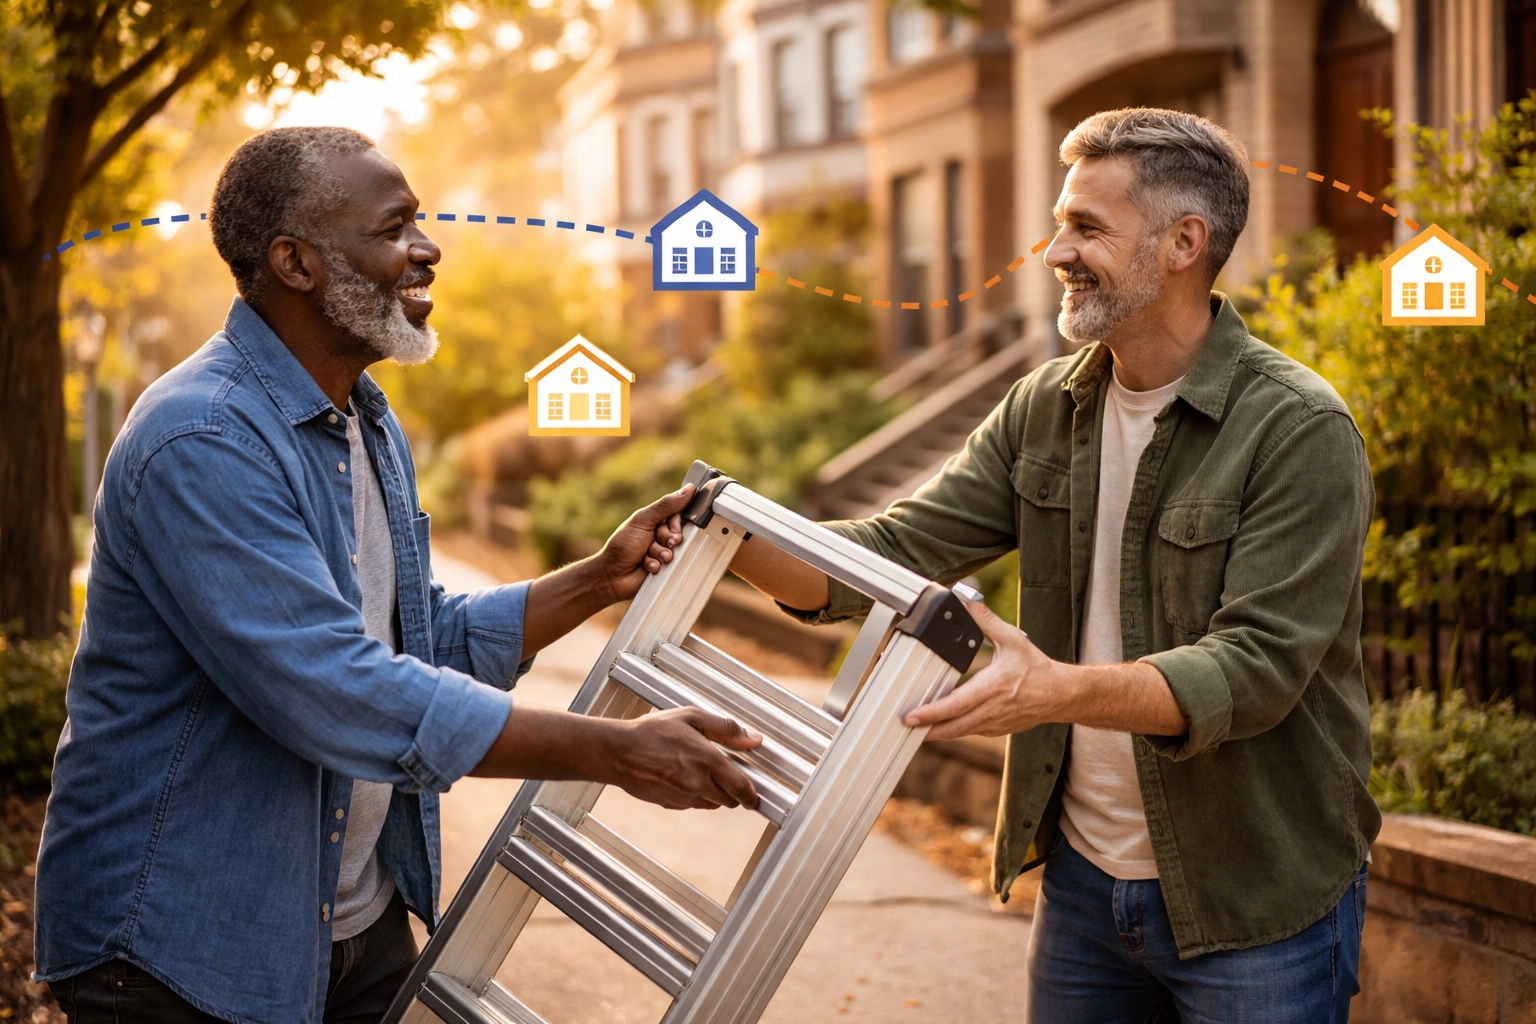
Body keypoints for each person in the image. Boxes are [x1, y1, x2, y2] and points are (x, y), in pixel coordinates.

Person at [35, 126, 759, 1024]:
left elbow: (409, 632)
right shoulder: (203, 438)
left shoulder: (364, 418)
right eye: (394, 228)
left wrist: (595, 581)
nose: (428, 248)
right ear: (294, 263)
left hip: (349, 922)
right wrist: (616, 748)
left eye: (420, 221)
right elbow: (335, 687)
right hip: (179, 945)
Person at [690, 108, 1377, 1023]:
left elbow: (1254, 671)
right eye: (1061, 224)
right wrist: (718, 533)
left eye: (1087, 227)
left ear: (1183, 243)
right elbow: (891, 555)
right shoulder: (1043, 409)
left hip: (1256, 895)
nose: (1054, 252)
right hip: (1087, 889)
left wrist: (1053, 690)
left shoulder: (1298, 429)